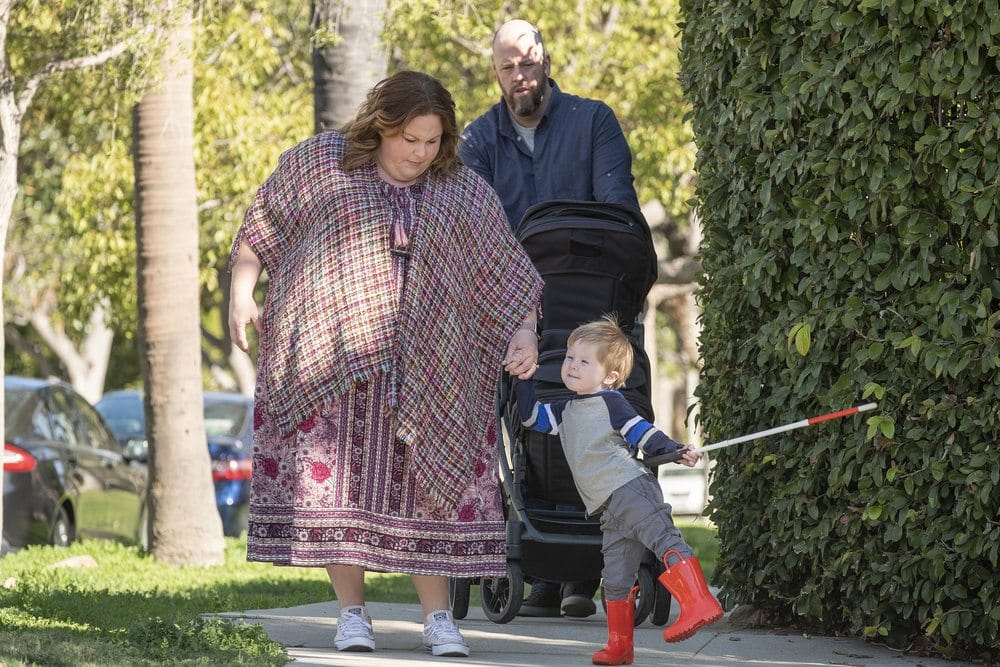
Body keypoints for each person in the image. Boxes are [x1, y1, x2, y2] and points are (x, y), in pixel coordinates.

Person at [228, 70, 543, 659]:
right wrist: (242, 291)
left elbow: (508, 273)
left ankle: (438, 622)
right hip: (336, 368)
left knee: (432, 488)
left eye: (431, 142)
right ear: (380, 127)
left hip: (436, 373)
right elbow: (263, 225)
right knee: (340, 489)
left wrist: (523, 333)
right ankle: (352, 616)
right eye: (409, 141)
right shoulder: (323, 163)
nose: (421, 154)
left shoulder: (462, 190)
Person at [459, 18, 641, 618]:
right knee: (525, 423)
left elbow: (619, 216)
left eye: (528, 62)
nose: (520, 75)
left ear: (544, 60)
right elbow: (475, 230)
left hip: (594, 311)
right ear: (496, 72)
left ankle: (585, 573)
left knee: (599, 421)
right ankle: (540, 570)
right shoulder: (480, 141)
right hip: (518, 318)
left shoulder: (594, 122)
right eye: (508, 66)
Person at [513, 316, 724, 665]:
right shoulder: (566, 409)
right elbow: (532, 418)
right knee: (615, 576)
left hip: (630, 488)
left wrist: (672, 448)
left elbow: (643, 432)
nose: (571, 366)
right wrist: (524, 379)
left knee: (663, 539)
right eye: (569, 358)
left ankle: (699, 602)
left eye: (584, 361)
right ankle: (619, 646)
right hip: (607, 507)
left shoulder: (612, 402)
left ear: (610, 377)